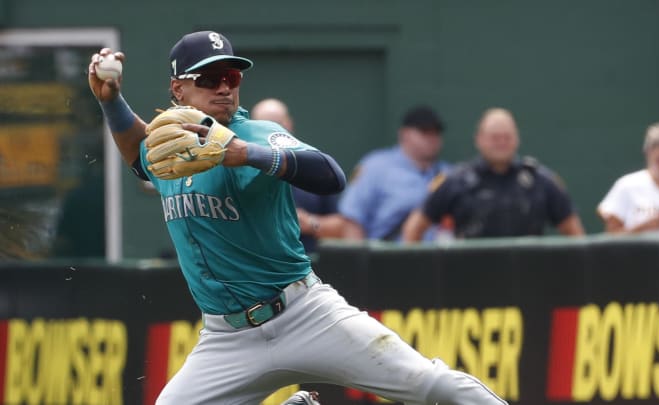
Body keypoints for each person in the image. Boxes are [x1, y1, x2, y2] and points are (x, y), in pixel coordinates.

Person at [88, 30, 507, 405]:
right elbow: (140, 156)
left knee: (425, 385)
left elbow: (330, 175)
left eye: (231, 78)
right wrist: (111, 102)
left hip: (304, 314)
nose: (223, 88)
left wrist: (246, 155)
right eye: (209, 79)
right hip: (226, 337)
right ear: (178, 89)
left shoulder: (253, 134)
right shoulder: (168, 147)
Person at [403, 107, 585, 241]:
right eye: (494, 138)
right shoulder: (455, 181)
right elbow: (414, 228)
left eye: (507, 137)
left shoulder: (541, 181)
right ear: (479, 139)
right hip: (470, 281)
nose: (501, 143)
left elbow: (574, 233)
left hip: (529, 278)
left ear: (517, 139)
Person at [338, 105, 451, 240]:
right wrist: (358, 259)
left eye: (436, 132)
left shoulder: (448, 174)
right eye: (425, 132)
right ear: (404, 134)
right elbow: (352, 219)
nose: (431, 138)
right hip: (388, 256)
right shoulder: (376, 167)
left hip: (437, 257)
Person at [250, 98, 341, 253]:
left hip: (308, 263)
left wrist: (310, 223)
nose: (271, 131)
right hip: (257, 262)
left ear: (289, 124)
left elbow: (340, 226)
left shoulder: (310, 165)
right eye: (263, 125)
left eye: (277, 123)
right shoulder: (240, 168)